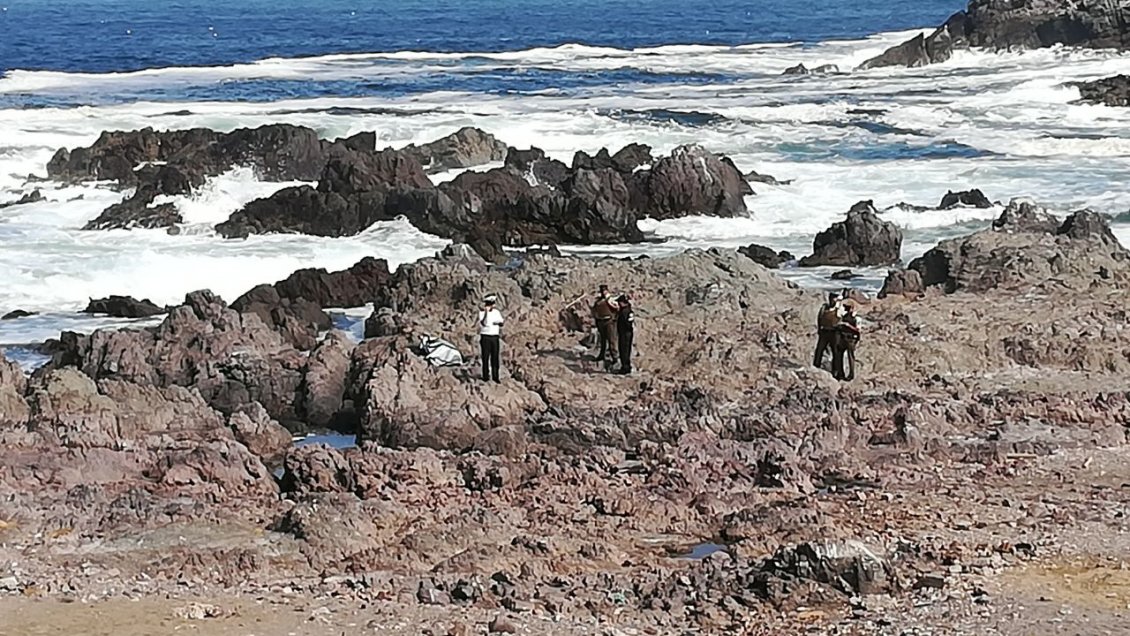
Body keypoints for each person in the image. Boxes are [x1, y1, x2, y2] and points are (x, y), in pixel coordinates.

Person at [813, 291, 842, 375]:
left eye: (834, 298)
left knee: (835, 352)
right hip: (824, 332)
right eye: (832, 298)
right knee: (819, 350)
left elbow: (841, 320)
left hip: (834, 332)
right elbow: (820, 318)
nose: (833, 300)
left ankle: (835, 370)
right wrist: (819, 329)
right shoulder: (824, 308)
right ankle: (816, 365)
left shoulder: (839, 309)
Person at [478, 294, 504, 383]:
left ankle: (495, 376)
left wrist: (497, 322)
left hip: (494, 336)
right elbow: (484, 323)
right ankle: (485, 376)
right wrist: (486, 313)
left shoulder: (496, 312)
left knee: (495, 357)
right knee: (485, 357)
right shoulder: (481, 313)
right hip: (485, 336)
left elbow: (501, 322)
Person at [591, 285, 619, 368]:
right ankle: (601, 355)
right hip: (601, 321)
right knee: (602, 340)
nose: (603, 292)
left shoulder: (611, 299)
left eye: (604, 290)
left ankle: (615, 358)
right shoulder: (599, 301)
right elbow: (595, 310)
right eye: (602, 291)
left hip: (609, 321)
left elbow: (617, 308)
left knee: (611, 340)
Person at [615, 293, 634, 374]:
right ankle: (626, 366)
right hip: (627, 333)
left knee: (624, 350)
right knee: (626, 350)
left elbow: (627, 323)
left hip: (625, 333)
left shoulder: (625, 312)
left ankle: (625, 367)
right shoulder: (628, 310)